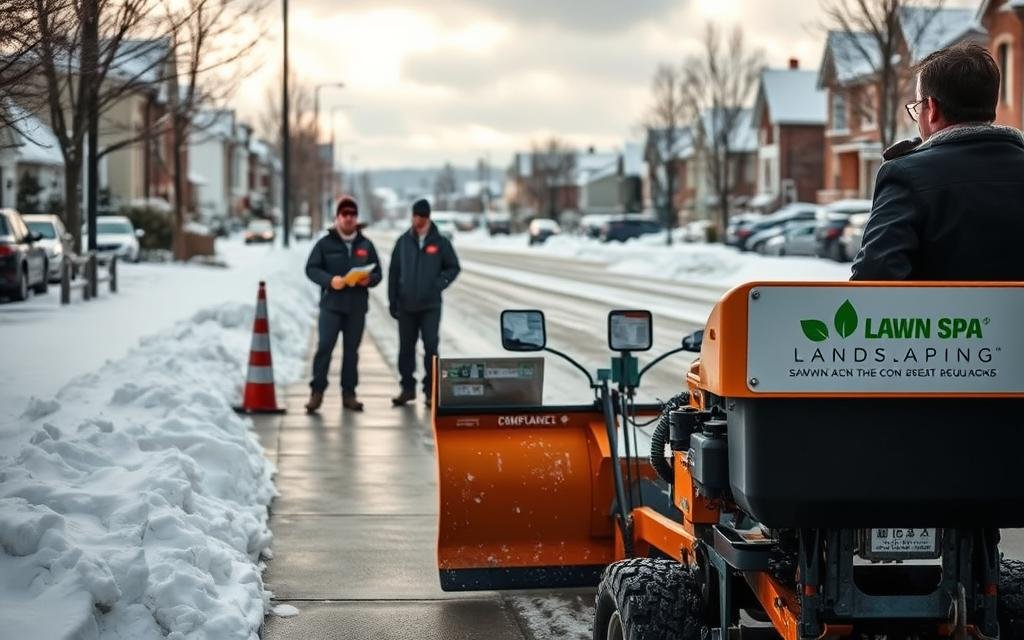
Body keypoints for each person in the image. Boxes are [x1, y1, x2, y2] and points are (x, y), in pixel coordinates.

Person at [851, 42, 1024, 281]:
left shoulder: (905, 175)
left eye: (917, 107)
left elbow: (875, 280)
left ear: (931, 108)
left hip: (942, 319)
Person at [304, 196, 382, 412]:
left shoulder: (366, 244)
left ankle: (349, 394)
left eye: (352, 215)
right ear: (337, 217)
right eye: (344, 214)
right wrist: (330, 281)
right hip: (331, 306)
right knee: (324, 349)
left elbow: (378, 273)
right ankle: (316, 393)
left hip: (356, 308)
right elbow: (311, 269)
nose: (348, 218)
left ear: (356, 218)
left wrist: (370, 279)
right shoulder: (325, 244)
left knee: (351, 353)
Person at [388, 199, 460, 406]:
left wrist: (439, 283)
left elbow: (453, 267)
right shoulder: (403, 242)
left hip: (430, 306)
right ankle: (407, 388)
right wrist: (393, 300)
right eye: (415, 216)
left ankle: (431, 391)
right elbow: (394, 272)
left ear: (428, 218)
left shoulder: (440, 242)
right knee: (406, 348)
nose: (417, 220)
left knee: (431, 347)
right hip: (406, 305)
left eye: (421, 217)